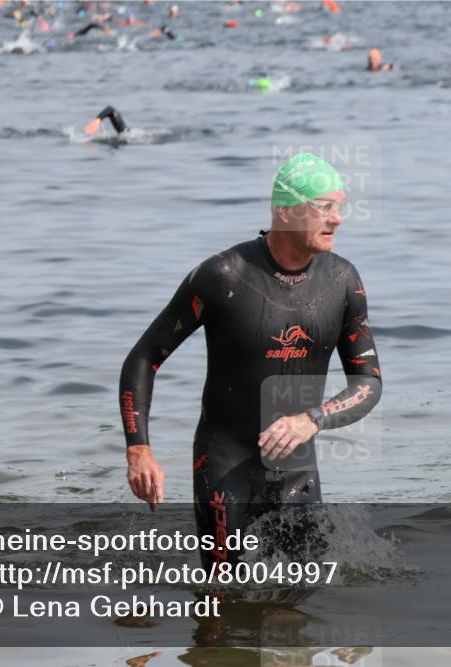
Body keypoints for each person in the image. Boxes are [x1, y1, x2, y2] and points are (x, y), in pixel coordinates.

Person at [120, 153, 382, 570]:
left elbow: (369, 383)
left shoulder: (343, 281)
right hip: (226, 469)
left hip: (298, 470)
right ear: (285, 210)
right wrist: (139, 451)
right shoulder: (223, 275)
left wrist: (312, 418)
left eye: (341, 207)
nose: (337, 219)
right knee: (220, 603)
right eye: (325, 207)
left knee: (299, 603)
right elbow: (144, 357)